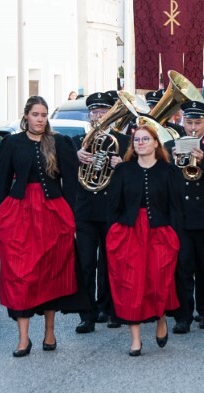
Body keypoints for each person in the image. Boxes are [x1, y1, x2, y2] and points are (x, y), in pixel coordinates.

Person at [0, 96, 81, 357]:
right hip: (19, 213)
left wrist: (71, 217)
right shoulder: (12, 143)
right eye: (35, 114)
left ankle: (50, 332)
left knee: (50, 271)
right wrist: (0, 219)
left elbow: (71, 184)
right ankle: (23, 339)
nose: (40, 119)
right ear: (26, 116)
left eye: (44, 115)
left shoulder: (59, 143)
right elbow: (2, 184)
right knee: (21, 274)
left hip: (53, 213)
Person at [106, 123, 184, 356]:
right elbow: (114, 205)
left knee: (158, 281)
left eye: (145, 139)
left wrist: (176, 236)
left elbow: (176, 208)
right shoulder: (123, 170)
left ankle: (160, 318)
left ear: (156, 143)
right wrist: (114, 233)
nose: (140, 143)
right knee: (131, 283)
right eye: (137, 140)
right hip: (129, 233)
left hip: (160, 232)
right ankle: (136, 339)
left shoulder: (168, 171)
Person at [164, 101, 204, 333]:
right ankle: (183, 315)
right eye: (188, 122)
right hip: (181, 216)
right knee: (182, 267)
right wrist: (171, 162)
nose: (192, 127)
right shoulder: (171, 146)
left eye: (197, 123)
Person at [72, 92, 130, 334]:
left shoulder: (123, 142)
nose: (98, 116)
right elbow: (64, 170)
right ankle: (87, 314)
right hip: (86, 210)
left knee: (111, 262)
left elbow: (137, 174)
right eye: (94, 112)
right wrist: (76, 157)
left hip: (112, 209)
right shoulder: (77, 142)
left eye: (103, 111)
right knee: (86, 263)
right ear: (89, 115)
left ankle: (111, 309)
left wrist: (122, 165)